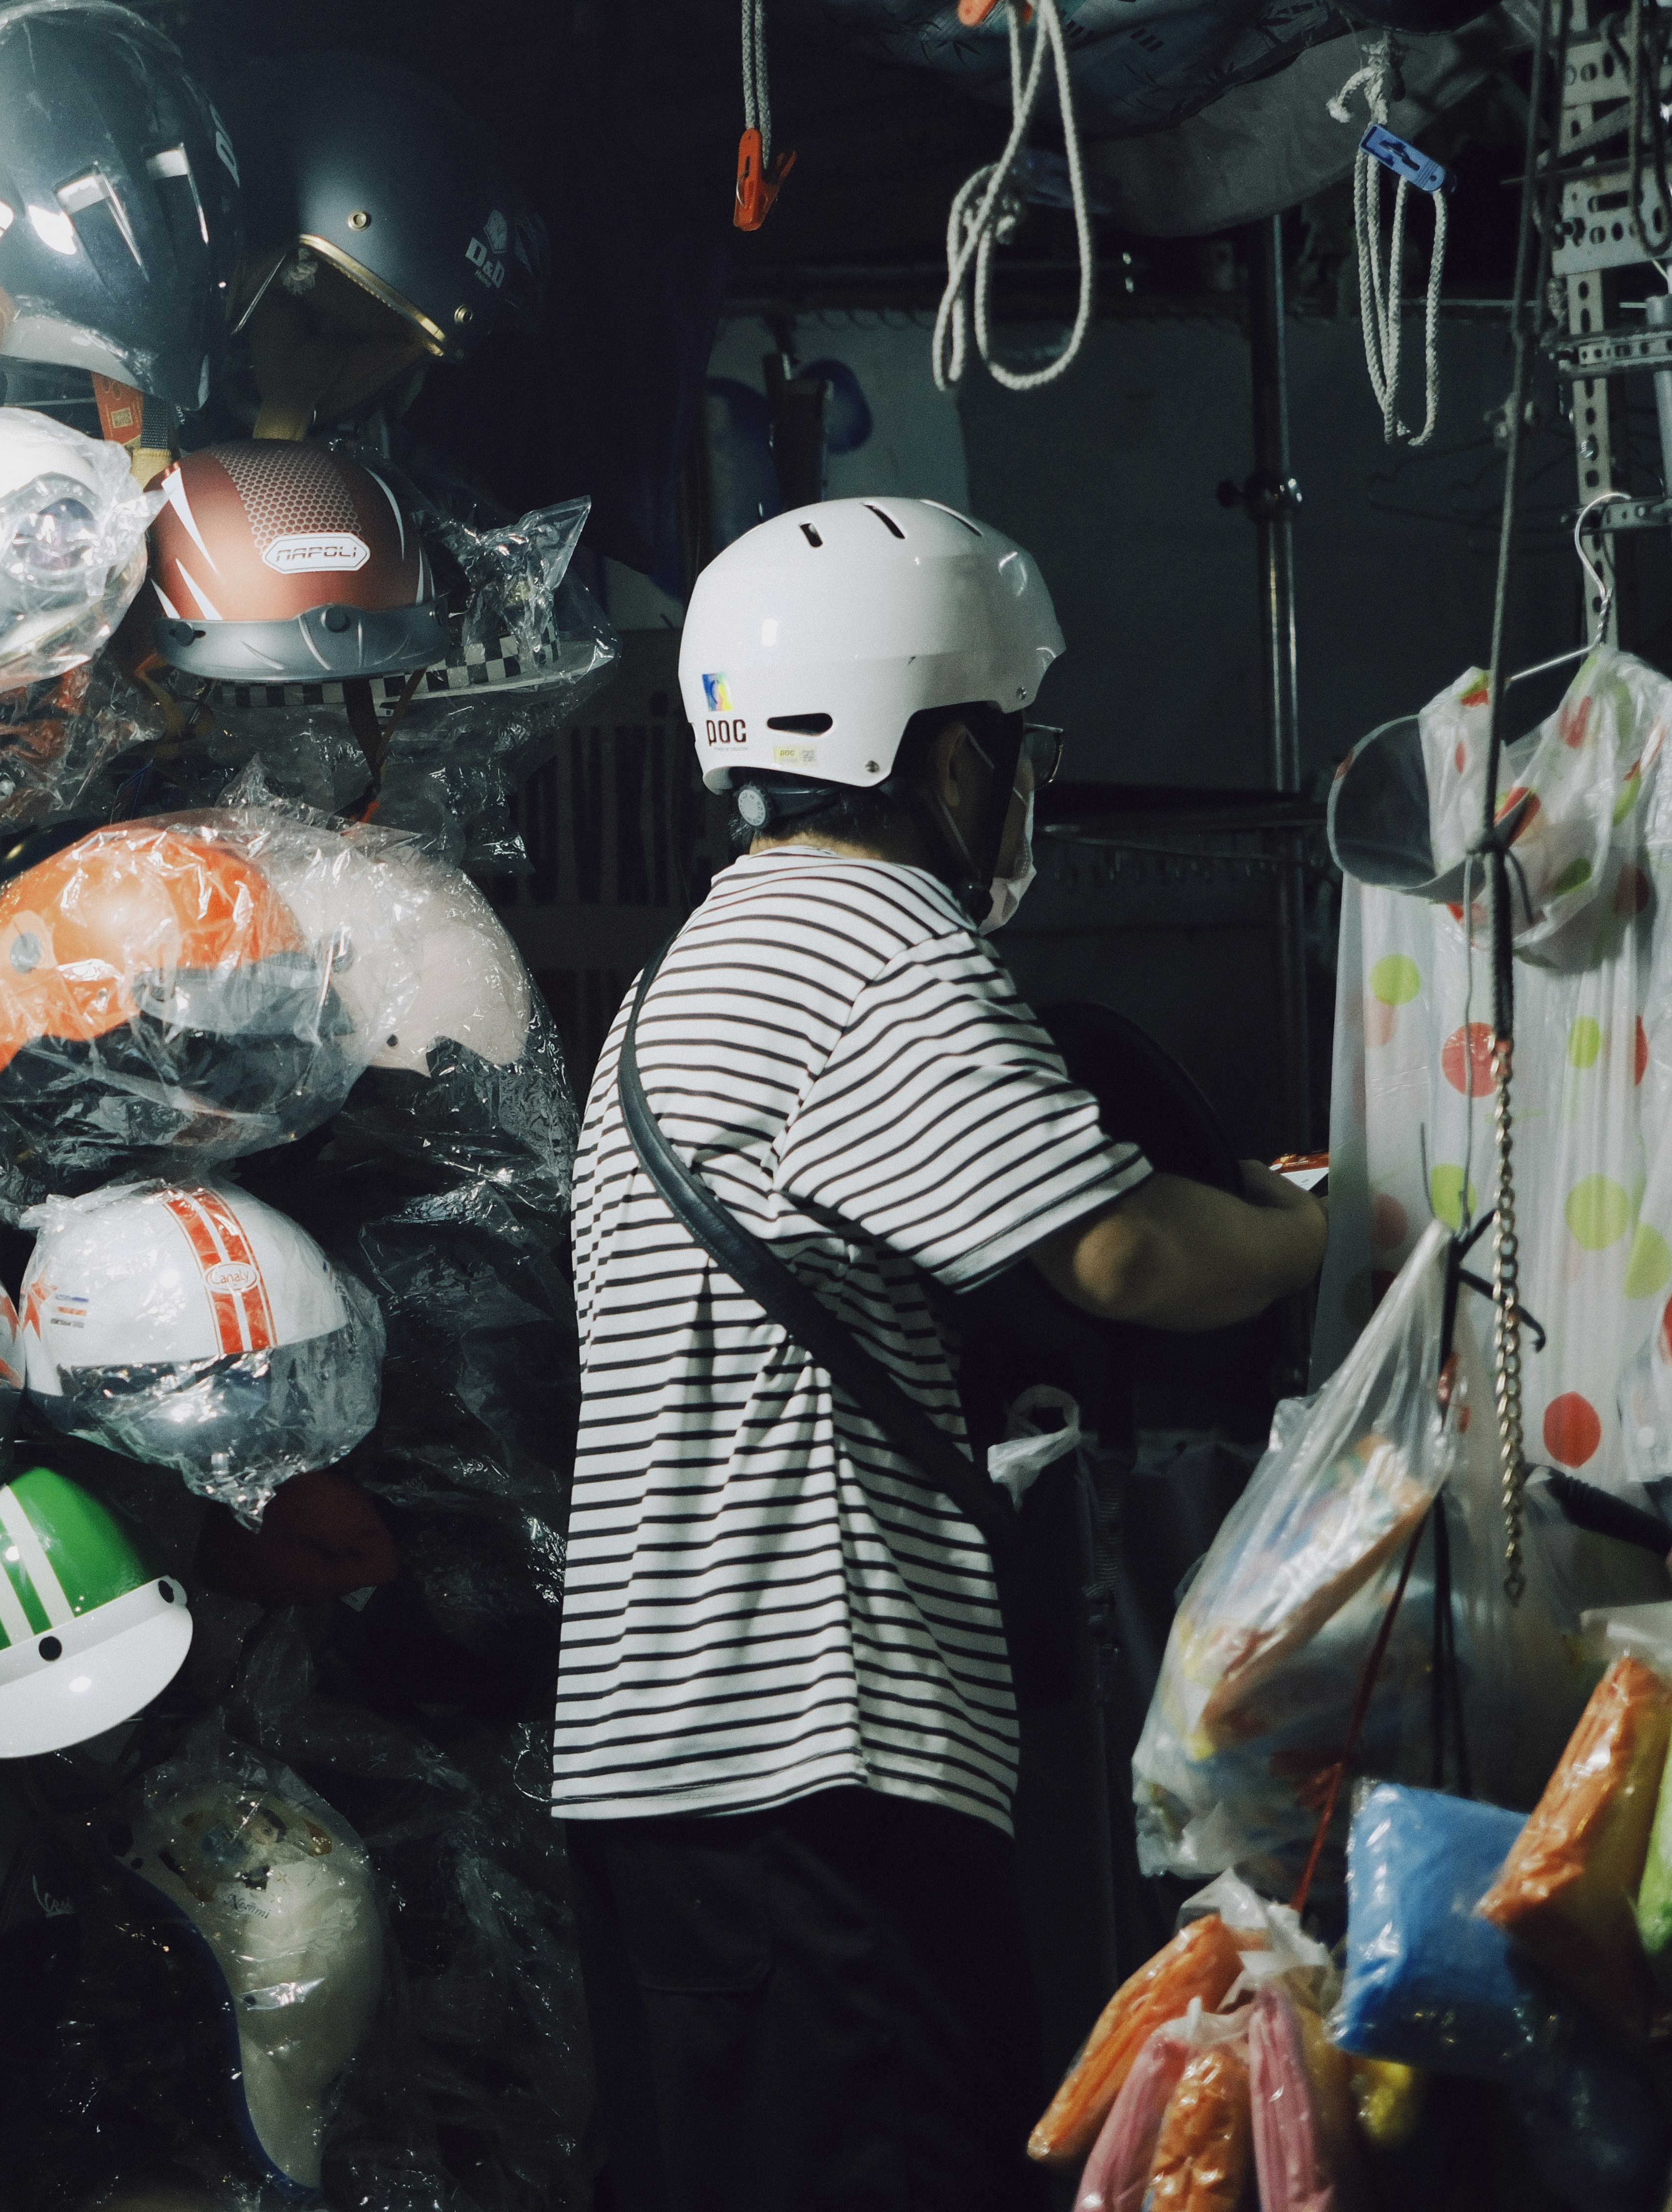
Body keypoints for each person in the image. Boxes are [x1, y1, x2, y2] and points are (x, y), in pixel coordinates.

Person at [557, 499, 1325, 2209]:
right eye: (1008, 743)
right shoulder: (871, 944)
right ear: (936, 748)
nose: (1021, 787)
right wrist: (1344, 1230)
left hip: (666, 1767)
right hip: (807, 1752)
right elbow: (1123, 1251)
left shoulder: (695, 969)